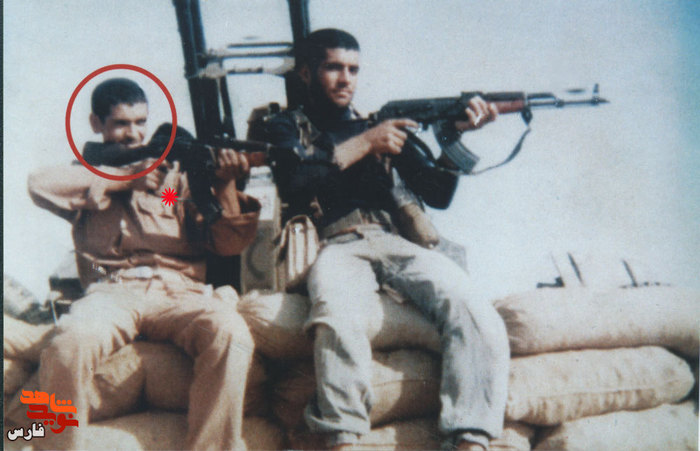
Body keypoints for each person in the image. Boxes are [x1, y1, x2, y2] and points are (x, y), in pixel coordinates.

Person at [261, 29, 510, 451]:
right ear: (306, 73)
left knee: (474, 309)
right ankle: (342, 437)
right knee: (338, 318)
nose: (346, 79)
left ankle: (470, 437)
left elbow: (437, 193)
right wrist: (366, 144)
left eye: (353, 69)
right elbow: (295, 180)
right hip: (335, 244)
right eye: (334, 68)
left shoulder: (378, 124)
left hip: (393, 240)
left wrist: (454, 138)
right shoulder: (286, 126)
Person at [28, 78, 260, 450]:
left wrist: (225, 185)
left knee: (232, 335)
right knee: (69, 344)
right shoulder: (88, 176)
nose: (134, 133)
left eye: (140, 122)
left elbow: (228, 244)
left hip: (181, 292)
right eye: (121, 123)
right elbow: (39, 185)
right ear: (96, 124)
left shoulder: (173, 181)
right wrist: (124, 178)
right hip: (112, 291)